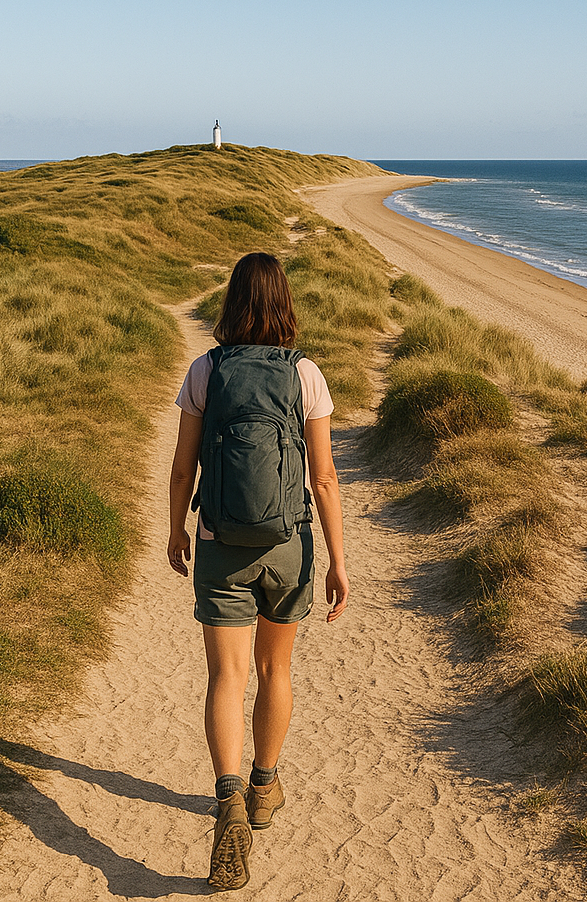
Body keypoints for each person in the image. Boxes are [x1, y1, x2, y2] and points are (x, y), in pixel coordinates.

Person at [167, 252, 350, 891]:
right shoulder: (306, 374)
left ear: (231, 300)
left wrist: (174, 528)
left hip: (219, 541)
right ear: (284, 302)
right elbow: (323, 478)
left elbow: (183, 466)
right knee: (275, 670)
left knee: (226, 675)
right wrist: (337, 560)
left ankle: (227, 800)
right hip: (288, 545)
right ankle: (264, 785)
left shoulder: (204, 371)